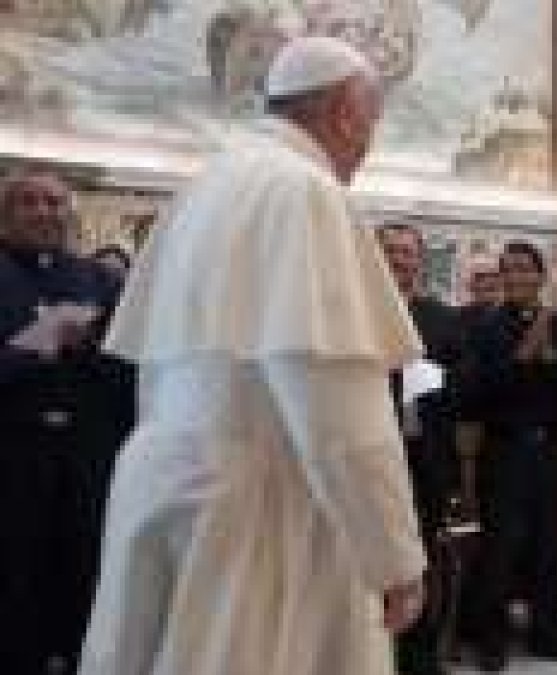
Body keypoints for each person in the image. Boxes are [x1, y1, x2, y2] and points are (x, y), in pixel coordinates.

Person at [79, 37, 427, 675]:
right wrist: (394, 555)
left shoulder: (204, 188)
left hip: (163, 477)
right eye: (370, 125)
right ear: (343, 114)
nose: (367, 145)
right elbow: (336, 405)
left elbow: (154, 368)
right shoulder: (307, 193)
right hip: (260, 506)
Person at [0, 170, 135, 674]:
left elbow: (131, 372)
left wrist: (91, 346)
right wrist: (31, 349)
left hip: (89, 459)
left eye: (54, 202)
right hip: (11, 460)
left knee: (84, 577)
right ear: (6, 213)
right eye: (28, 202)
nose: (43, 211)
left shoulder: (102, 282)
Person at [467, 241, 557, 671]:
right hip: (504, 448)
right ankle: (492, 639)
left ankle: (548, 633)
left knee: (548, 543)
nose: (516, 276)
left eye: (524, 269)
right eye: (509, 270)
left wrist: (551, 358)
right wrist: (521, 357)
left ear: (540, 276)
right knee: (501, 547)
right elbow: (474, 395)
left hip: (551, 448)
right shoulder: (486, 327)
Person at [378, 223, 465, 675]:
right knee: (374, 557)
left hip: (427, 454)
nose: (399, 260)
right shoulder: (357, 312)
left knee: (424, 557)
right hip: (374, 456)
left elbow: (466, 385)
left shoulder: (443, 318)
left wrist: (437, 379)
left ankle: (420, 657)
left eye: (407, 253)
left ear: (419, 260)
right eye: (390, 251)